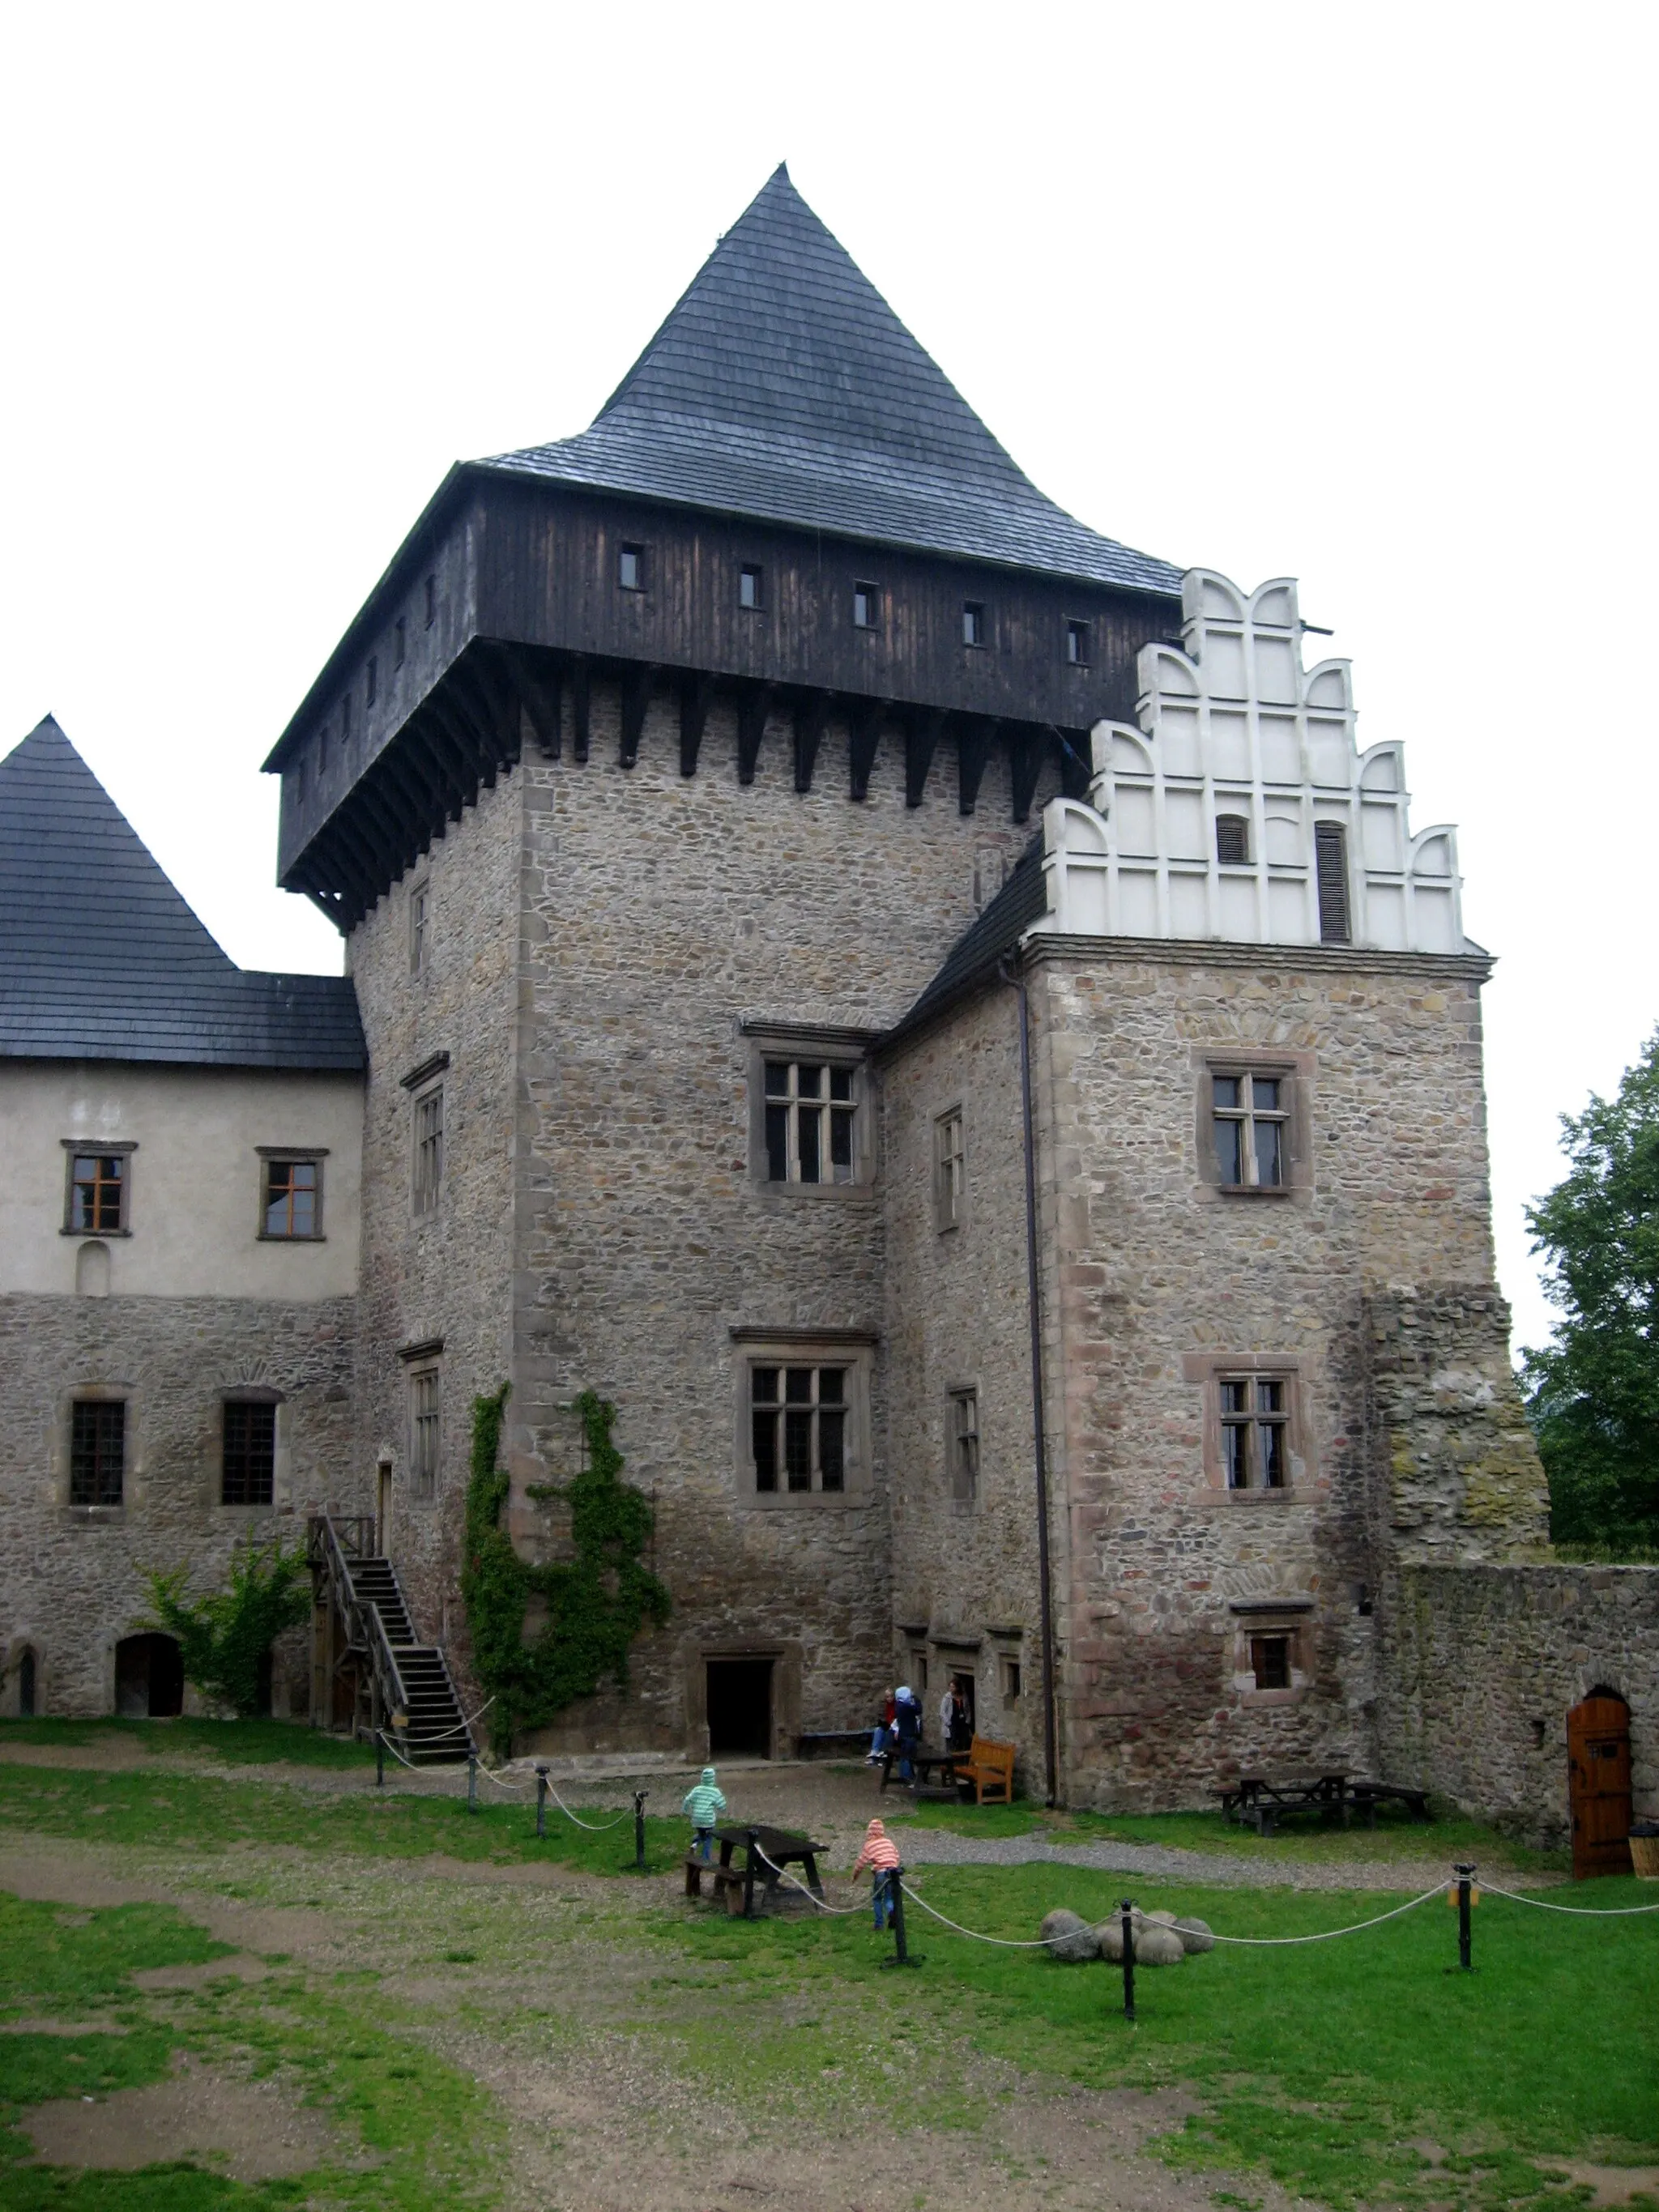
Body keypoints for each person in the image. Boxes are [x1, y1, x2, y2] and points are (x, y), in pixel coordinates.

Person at [851, 1815, 902, 1930]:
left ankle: (879, 1924)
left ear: (869, 1832)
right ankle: (891, 1912)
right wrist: (893, 1866)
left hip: (881, 1874)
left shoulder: (869, 1845)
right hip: (893, 1873)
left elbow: (861, 1864)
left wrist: (854, 1876)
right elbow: (896, 1856)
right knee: (889, 1898)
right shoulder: (888, 1842)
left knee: (877, 1898)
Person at [681, 1765, 726, 1861]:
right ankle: (705, 1859)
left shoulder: (697, 1790)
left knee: (702, 1835)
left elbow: (687, 1800)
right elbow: (722, 1805)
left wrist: (685, 1810)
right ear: (713, 1779)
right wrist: (722, 1808)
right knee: (708, 1838)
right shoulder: (715, 1792)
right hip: (708, 1820)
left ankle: (695, 1843)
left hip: (697, 1819)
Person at [892, 1685, 922, 1782]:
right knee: (907, 1756)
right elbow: (918, 1710)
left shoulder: (899, 1705)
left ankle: (904, 1775)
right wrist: (915, 1698)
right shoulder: (905, 1706)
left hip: (904, 1733)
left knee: (905, 1755)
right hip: (909, 1734)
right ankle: (907, 1776)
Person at [867, 1688, 896, 1765]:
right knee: (878, 1730)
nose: (889, 1698)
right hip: (888, 1725)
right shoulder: (887, 1706)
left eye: (891, 1696)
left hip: (895, 1729)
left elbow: (896, 1721)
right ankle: (875, 1754)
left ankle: (884, 1757)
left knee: (888, 1733)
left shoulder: (897, 1706)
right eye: (887, 1697)